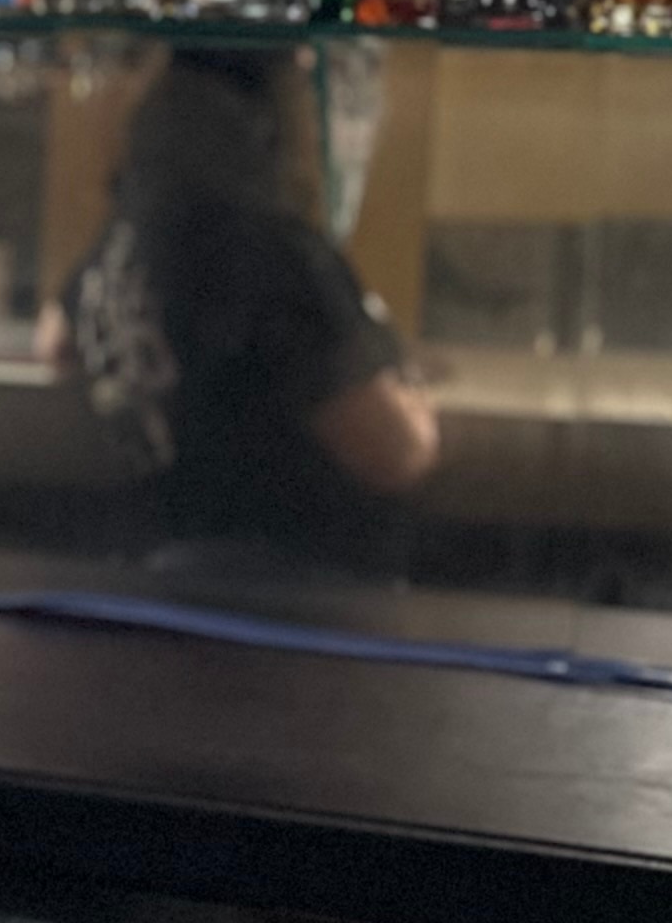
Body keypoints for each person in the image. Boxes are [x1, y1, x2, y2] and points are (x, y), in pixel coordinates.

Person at [54, 48, 440, 572]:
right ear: (268, 129)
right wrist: (412, 395)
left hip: (152, 569)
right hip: (292, 595)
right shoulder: (273, 254)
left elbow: (53, 340)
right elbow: (395, 453)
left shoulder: (125, 240)